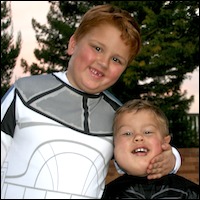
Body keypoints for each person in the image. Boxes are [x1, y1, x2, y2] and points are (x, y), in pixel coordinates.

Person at [1, 4, 181, 199]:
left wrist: (172, 160)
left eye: (116, 59)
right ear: (73, 44)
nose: (103, 63)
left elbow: (139, 159)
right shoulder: (25, 92)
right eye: (97, 48)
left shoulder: (118, 116)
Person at [101, 99, 199, 199]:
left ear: (165, 142)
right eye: (127, 133)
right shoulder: (105, 195)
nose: (138, 137)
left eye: (147, 132)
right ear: (114, 146)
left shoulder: (188, 193)